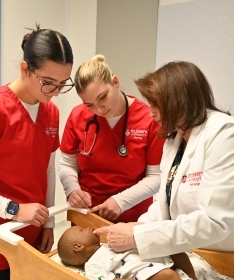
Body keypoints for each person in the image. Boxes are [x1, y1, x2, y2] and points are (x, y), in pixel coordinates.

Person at [0, 24, 74, 280]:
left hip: (30, 234)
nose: (55, 92)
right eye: (48, 83)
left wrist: (49, 222)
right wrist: (13, 209)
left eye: (63, 83)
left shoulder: (50, 111)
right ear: (24, 69)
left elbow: (47, 169)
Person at [93, 61, 234, 275]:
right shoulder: (174, 139)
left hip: (215, 256)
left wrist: (138, 236)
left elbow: (213, 222)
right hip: (182, 250)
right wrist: (134, 229)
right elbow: (162, 205)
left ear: (178, 101)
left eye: (155, 105)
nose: (151, 113)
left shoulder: (223, 134)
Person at [58, 55, 165, 223]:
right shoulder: (78, 116)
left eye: (102, 97)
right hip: (87, 214)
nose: (99, 109)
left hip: (132, 216)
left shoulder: (150, 119)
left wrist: (120, 201)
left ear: (115, 82)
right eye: (90, 105)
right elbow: (67, 165)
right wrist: (72, 190)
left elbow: (155, 176)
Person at [57, 225, 196, 280]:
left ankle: (192, 277)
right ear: (77, 246)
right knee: (168, 275)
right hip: (144, 274)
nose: (88, 227)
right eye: (82, 230)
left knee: (178, 251)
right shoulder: (92, 266)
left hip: (155, 260)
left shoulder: (107, 245)